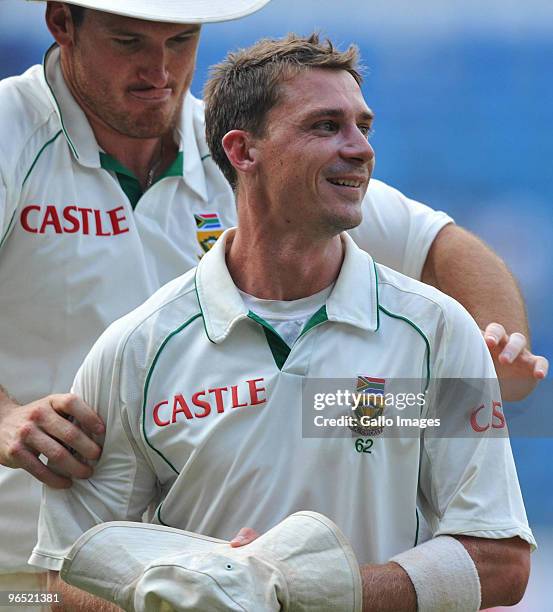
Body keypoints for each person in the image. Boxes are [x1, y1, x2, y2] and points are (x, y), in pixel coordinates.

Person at [0, 0, 546, 598]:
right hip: (22, 568)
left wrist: (492, 345)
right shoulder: (12, 135)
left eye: (180, 41)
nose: (158, 69)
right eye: (129, 42)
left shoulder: (426, 332)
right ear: (61, 24)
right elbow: (64, 584)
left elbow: (439, 242)